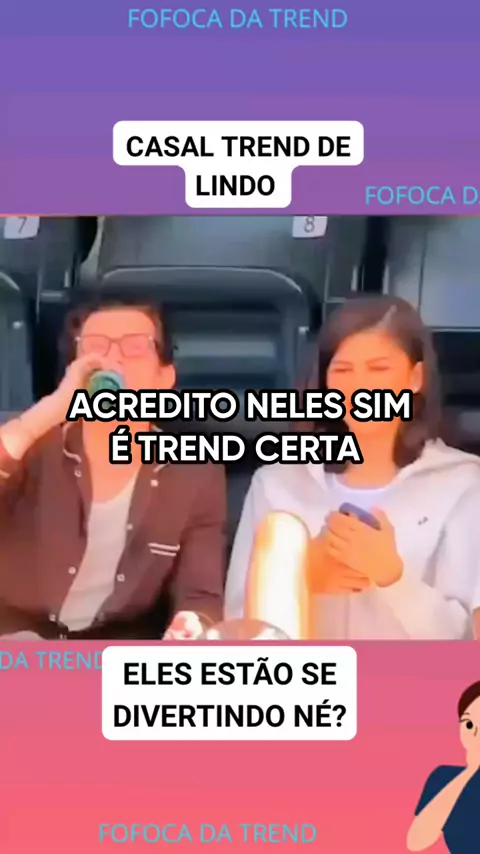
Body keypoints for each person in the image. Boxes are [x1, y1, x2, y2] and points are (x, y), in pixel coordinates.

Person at [225, 295, 480, 639]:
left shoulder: (464, 482)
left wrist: (393, 578)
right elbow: (237, 629)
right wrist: (301, 578)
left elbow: (466, 641)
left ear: (415, 377)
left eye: (379, 368)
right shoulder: (276, 482)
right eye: (343, 370)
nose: (360, 386)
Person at [0, 297, 226, 640]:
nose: (113, 360)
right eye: (95, 347)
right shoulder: (28, 442)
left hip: (108, 651)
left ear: (164, 378)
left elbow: (200, 595)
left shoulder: (194, 473)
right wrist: (50, 411)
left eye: (134, 347)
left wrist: (192, 623)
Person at [407, 681, 480, 852]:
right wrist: (470, 771)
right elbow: (417, 841)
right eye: (469, 724)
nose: (476, 732)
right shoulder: (444, 778)